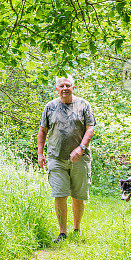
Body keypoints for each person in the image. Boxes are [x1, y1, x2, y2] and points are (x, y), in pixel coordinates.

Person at [37, 75, 96, 243]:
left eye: (68, 85)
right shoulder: (50, 107)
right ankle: (62, 232)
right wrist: (40, 154)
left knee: (78, 195)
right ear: (57, 89)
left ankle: (76, 228)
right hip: (56, 157)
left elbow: (90, 129)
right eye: (61, 86)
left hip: (80, 158)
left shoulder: (83, 105)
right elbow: (42, 131)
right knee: (59, 194)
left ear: (73, 87)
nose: (65, 88)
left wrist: (81, 148)